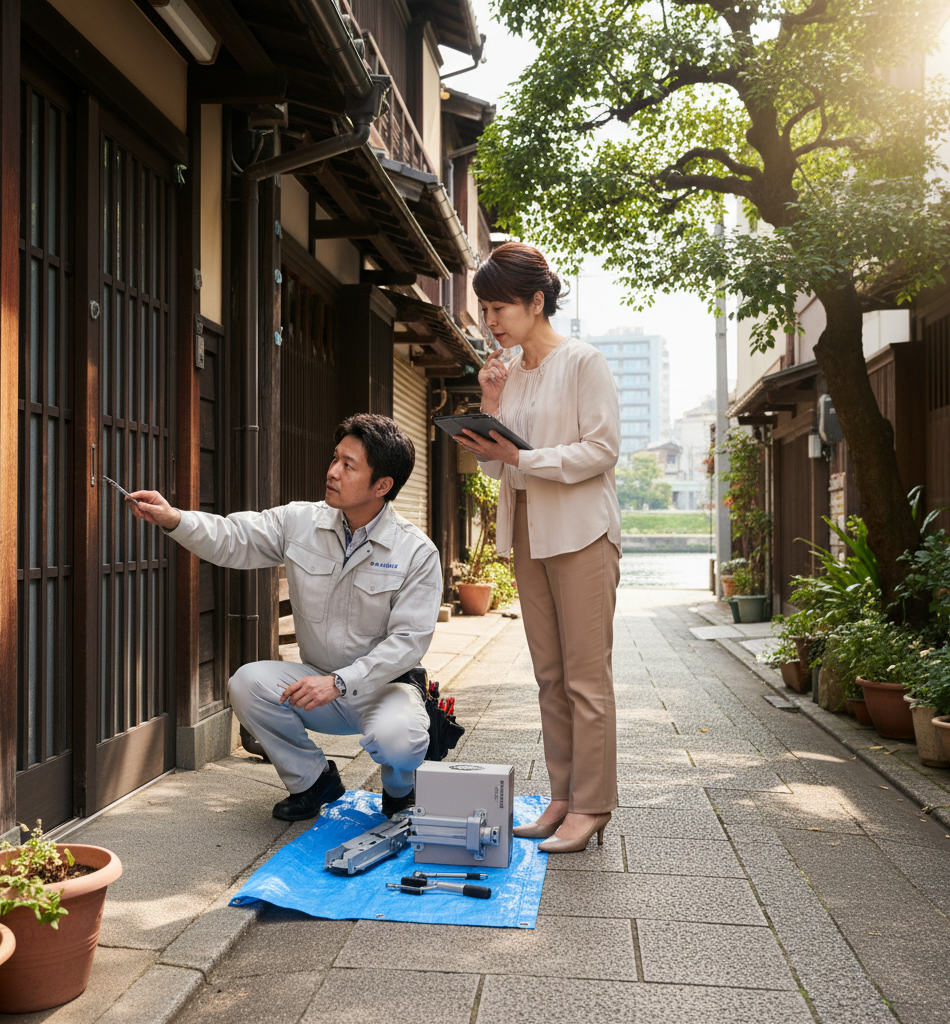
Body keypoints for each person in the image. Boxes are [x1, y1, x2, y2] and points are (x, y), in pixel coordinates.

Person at [128, 413, 441, 822]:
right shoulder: (300, 521)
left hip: (383, 687)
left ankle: (400, 790)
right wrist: (174, 519)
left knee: (398, 739)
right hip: (317, 681)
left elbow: (408, 642)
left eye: (349, 466)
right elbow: (232, 537)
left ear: (382, 486)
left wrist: (341, 682)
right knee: (247, 683)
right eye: (335, 459)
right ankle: (314, 781)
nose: (332, 472)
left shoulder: (416, 552)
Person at [455, 241, 622, 854]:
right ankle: (561, 796)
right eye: (485, 309)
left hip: (581, 535)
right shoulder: (511, 375)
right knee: (549, 677)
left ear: (535, 300)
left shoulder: (583, 362)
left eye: (499, 308)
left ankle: (592, 807)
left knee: (586, 678)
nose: (490, 321)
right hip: (530, 533)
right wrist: (491, 407)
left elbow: (601, 451)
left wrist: (521, 456)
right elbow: (498, 473)